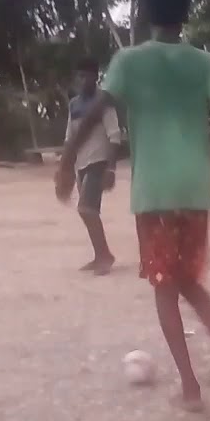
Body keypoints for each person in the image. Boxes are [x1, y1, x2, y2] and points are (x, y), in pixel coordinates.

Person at [55, 0, 210, 413]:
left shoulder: (128, 61)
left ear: (145, 12)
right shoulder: (203, 61)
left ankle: (190, 388)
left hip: (155, 193)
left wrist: (67, 160)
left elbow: (94, 113)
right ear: (186, 14)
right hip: (194, 188)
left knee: (166, 285)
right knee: (185, 277)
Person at [65, 57, 123, 275]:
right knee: (88, 211)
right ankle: (101, 255)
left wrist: (111, 168)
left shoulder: (104, 102)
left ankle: (104, 256)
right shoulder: (73, 104)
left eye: (86, 75)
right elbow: (69, 137)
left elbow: (115, 136)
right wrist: (66, 166)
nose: (82, 80)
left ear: (95, 77)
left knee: (86, 209)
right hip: (81, 163)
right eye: (79, 75)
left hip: (98, 162)